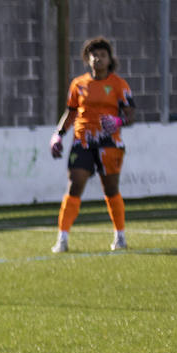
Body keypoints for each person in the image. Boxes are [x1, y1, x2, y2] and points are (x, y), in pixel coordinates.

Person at [49, 35, 134, 253]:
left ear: (109, 59)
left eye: (102, 55)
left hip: (109, 143)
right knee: (75, 184)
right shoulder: (78, 84)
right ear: (87, 59)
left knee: (111, 188)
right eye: (94, 55)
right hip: (83, 142)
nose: (98, 58)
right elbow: (70, 112)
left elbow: (130, 114)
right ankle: (63, 238)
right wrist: (58, 134)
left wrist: (118, 121)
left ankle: (120, 235)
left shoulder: (118, 85)